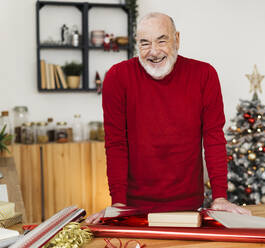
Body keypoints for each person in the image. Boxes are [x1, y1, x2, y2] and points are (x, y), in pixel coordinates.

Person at [86, 12, 251, 224]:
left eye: (161, 40)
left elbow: (213, 139)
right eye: (144, 43)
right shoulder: (117, 77)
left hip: (189, 206)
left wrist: (220, 196)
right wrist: (118, 203)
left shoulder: (204, 75)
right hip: (133, 208)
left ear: (177, 39)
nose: (153, 52)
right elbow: (116, 144)